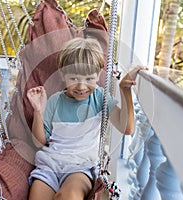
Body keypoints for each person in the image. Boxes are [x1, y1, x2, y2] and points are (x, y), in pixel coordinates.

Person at [27, 37, 147, 200]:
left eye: (89, 79)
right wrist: (38, 111)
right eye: (74, 79)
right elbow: (39, 141)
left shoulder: (100, 97)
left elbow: (127, 127)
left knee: (68, 196)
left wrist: (124, 90)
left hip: (81, 168)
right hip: (50, 165)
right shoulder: (55, 101)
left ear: (98, 75)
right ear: (62, 74)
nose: (82, 86)